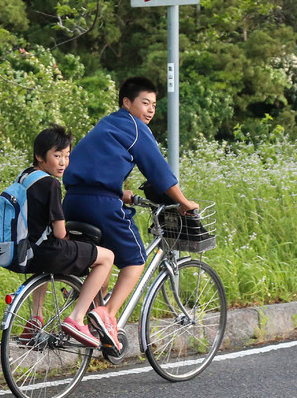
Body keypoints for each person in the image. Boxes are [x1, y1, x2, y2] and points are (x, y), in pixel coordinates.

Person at [62, 77, 198, 334]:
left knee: (100, 259)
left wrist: (117, 190)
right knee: (135, 260)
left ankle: (86, 322)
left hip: (72, 200)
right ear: (127, 102)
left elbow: (93, 164)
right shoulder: (136, 128)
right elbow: (158, 171)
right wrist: (184, 202)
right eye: (145, 103)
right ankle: (108, 316)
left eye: (154, 105)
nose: (150, 110)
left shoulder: (107, 123)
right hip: (101, 205)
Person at [18, 125, 120, 350]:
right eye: (57, 155)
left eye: (67, 156)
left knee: (47, 258)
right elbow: (59, 232)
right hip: (50, 251)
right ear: (40, 156)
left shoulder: (25, 176)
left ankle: (36, 318)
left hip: (27, 251)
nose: (63, 162)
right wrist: (67, 235)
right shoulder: (51, 183)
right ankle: (77, 316)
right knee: (107, 257)